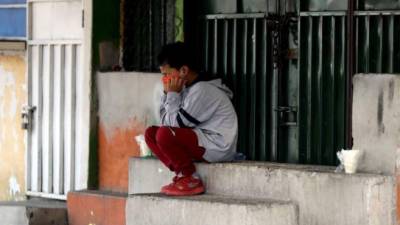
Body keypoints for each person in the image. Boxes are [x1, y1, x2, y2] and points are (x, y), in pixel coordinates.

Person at [144, 42, 238, 196]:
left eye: (167, 74)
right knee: (151, 134)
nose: (165, 80)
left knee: (164, 134)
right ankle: (181, 174)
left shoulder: (203, 90)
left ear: (183, 70)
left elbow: (174, 125)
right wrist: (169, 95)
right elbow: (165, 122)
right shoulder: (185, 89)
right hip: (200, 140)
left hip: (216, 147)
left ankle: (190, 178)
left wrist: (172, 95)